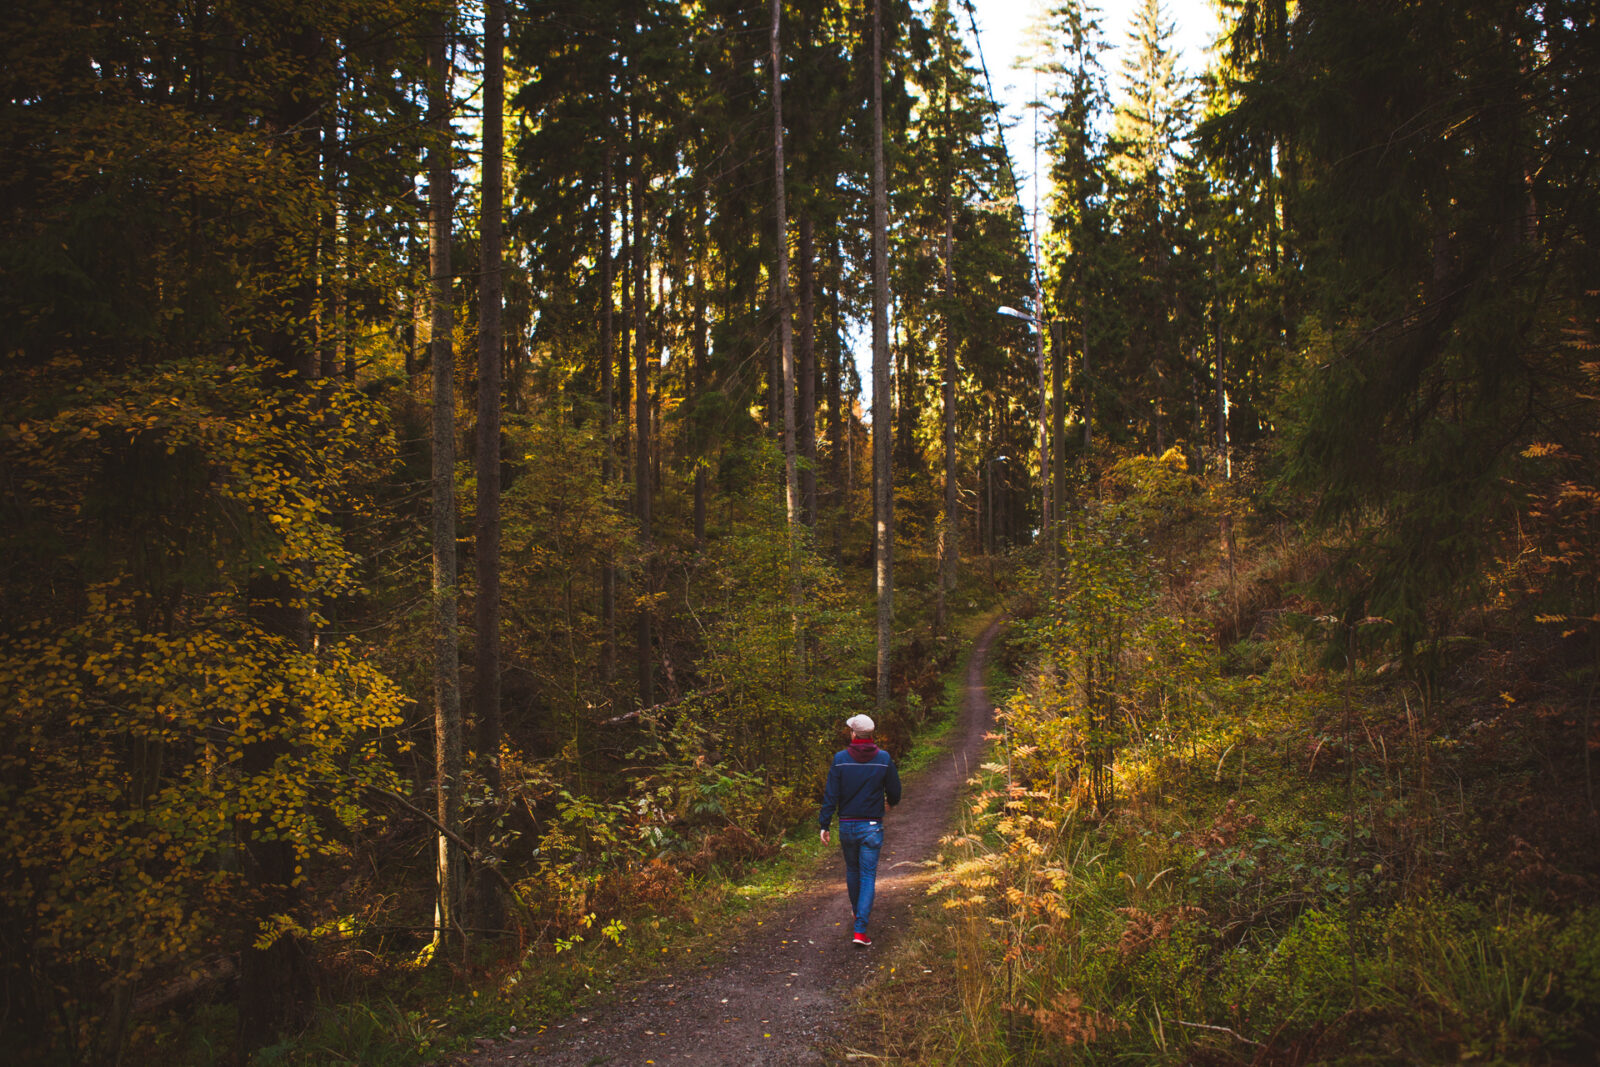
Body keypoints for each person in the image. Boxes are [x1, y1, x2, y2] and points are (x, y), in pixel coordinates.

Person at [818, 713, 901, 946]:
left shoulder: (840, 759)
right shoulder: (883, 759)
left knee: (853, 871)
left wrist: (824, 824)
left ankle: (858, 915)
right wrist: (890, 802)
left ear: (854, 734)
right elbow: (895, 790)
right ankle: (860, 930)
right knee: (867, 875)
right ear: (870, 734)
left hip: (847, 826)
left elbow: (831, 795)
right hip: (872, 827)